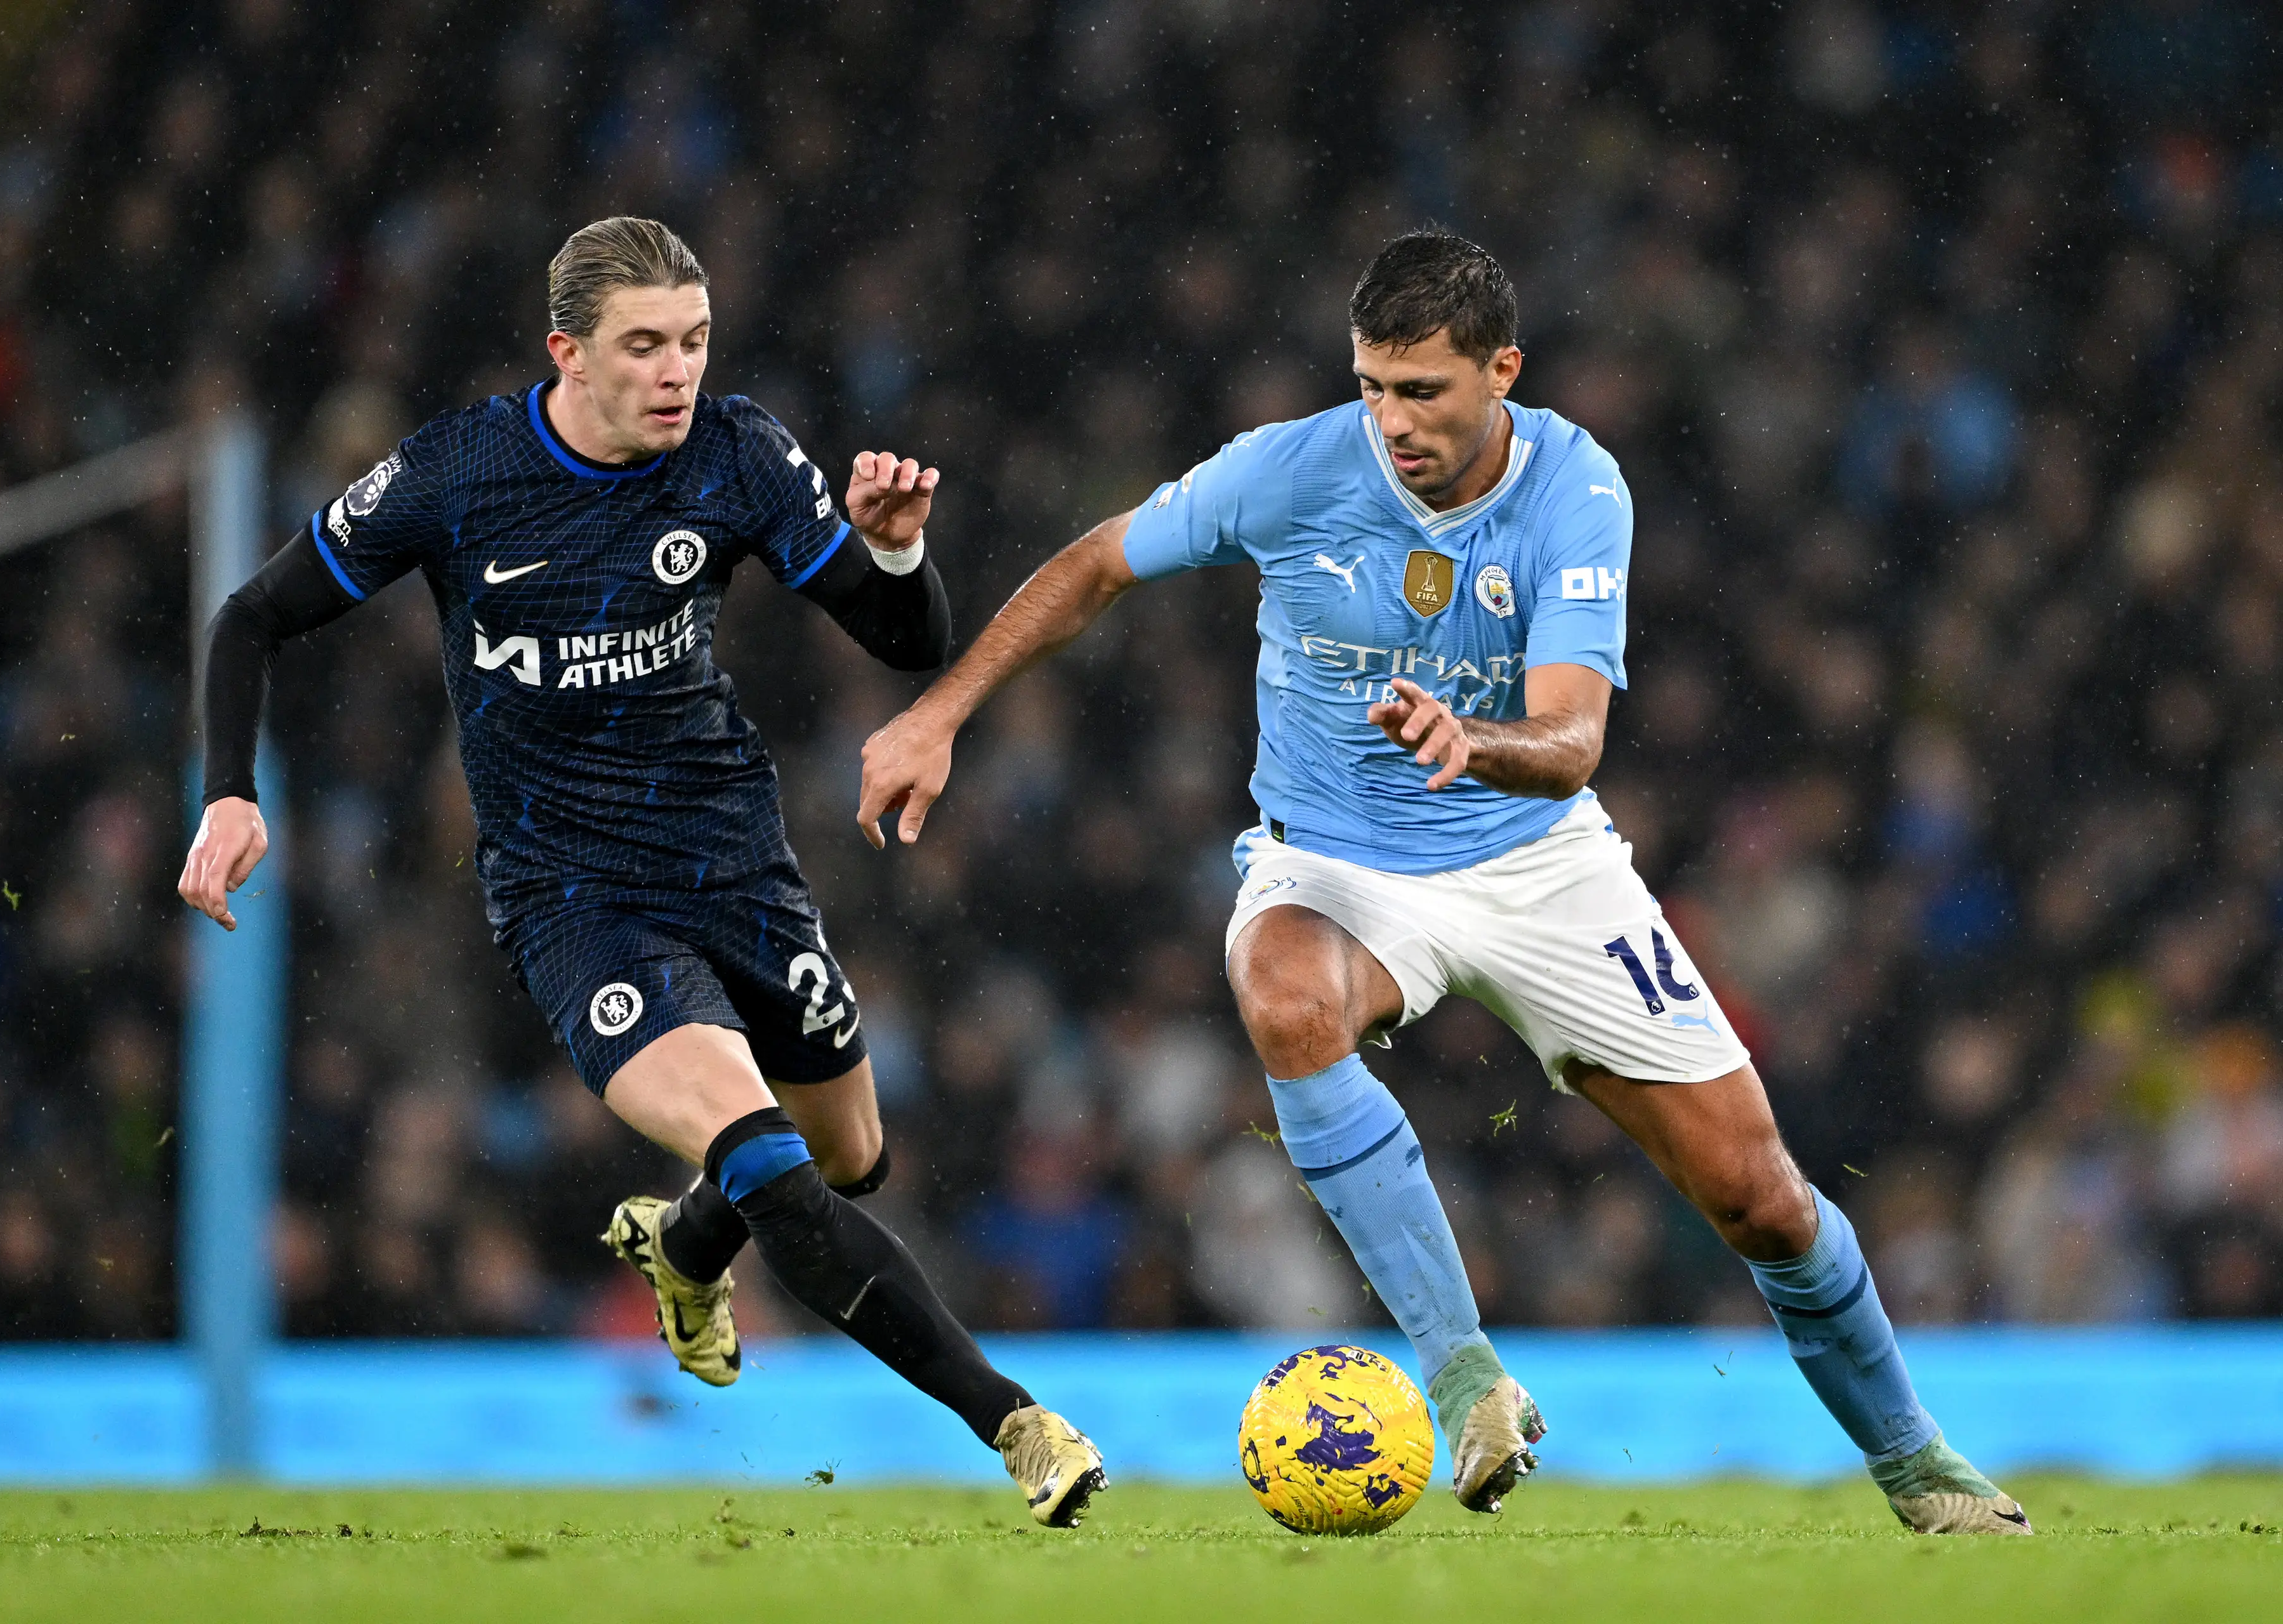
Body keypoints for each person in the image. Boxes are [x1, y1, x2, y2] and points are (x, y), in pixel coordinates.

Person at [855, 229, 2027, 1536]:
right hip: (1337, 858)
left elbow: (1577, 739)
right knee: (1281, 991)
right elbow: (1094, 567)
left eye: (1424, 391)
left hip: (1539, 860)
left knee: (1759, 1195)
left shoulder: (1578, 489)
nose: (1392, 420)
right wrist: (941, 714)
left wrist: (1477, 742)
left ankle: (1921, 1465)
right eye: (1372, 385)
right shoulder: (1293, 468)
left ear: (1502, 372)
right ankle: (1466, 1374)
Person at [176, 216, 1105, 1528]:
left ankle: (681, 1244)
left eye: (695, 341)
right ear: (569, 351)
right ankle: (1016, 1422)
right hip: (573, 900)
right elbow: (250, 615)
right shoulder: (459, 474)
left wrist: (896, 548)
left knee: (850, 1159)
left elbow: (906, 639)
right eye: (644, 346)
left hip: (735, 858)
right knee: (772, 1159)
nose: (678, 372)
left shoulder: (737, 452)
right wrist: (228, 790)